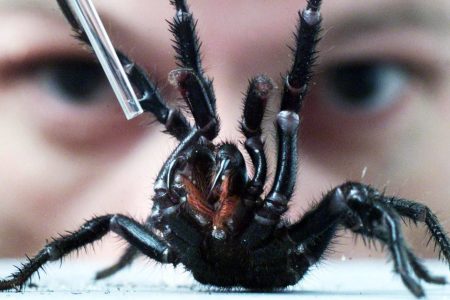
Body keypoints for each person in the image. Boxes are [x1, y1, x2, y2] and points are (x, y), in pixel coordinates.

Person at [0, 0, 449, 261]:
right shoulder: (177, 206)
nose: (139, 200)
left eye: (358, 81)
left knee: (349, 199)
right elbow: (120, 221)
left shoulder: (274, 216)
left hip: (277, 263)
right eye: (77, 79)